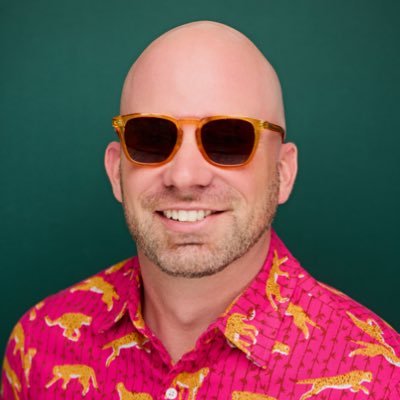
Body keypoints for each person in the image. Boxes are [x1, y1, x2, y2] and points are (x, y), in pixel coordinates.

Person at [1, 21, 399, 400]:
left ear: (283, 172)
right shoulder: (39, 344)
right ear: (115, 171)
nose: (185, 176)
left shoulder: (382, 380)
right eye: (151, 138)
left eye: (228, 139)